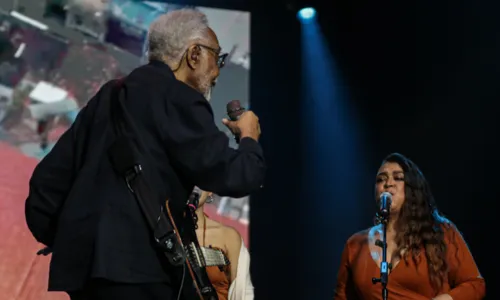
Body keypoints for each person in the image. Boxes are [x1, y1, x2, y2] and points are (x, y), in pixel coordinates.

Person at [24, 9, 265, 300]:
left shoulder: (109, 96)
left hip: (84, 275)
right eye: (218, 58)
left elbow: (47, 186)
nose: (216, 73)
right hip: (140, 274)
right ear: (194, 54)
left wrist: (69, 242)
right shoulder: (181, 99)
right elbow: (235, 176)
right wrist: (249, 137)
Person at [333, 153, 485, 300]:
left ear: (413, 188)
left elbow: (475, 284)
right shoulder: (355, 245)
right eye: (380, 179)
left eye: (398, 178)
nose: (388, 184)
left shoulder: (440, 232)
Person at [192, 188, 254, 300]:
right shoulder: (159, 230)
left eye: (199, 178)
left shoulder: (228, 237)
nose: (194, 188)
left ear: (210, 190)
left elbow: (242, 294)